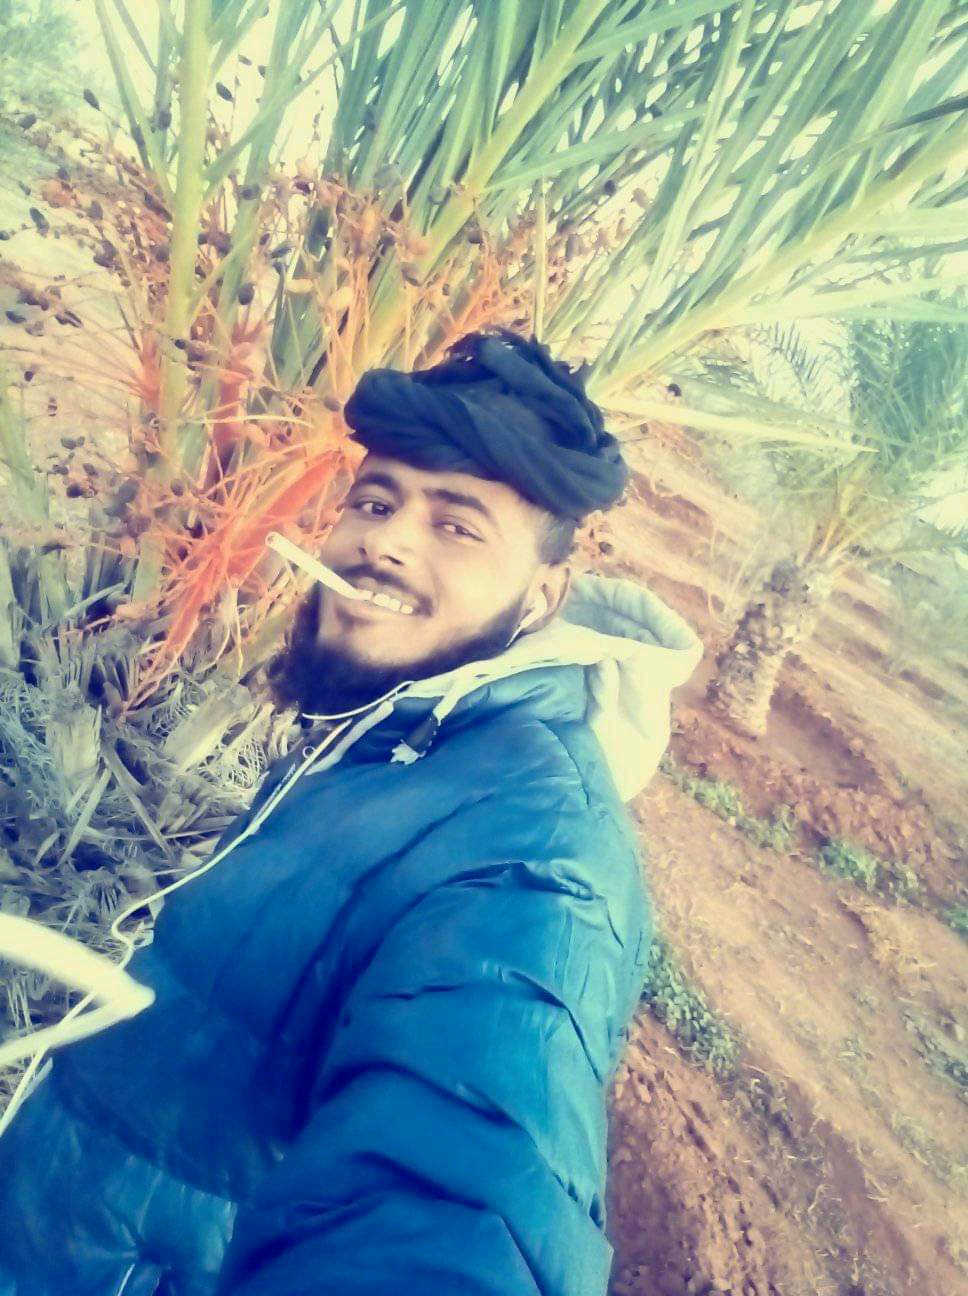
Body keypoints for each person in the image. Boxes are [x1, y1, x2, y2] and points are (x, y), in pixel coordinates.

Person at [0, 328, 702, 1296]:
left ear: (546, 595)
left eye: (456, 525)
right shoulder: (388, 729)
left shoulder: (538, 864)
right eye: (375, 502)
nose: (385, 542)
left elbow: (459, 1210)